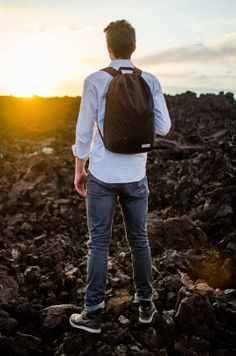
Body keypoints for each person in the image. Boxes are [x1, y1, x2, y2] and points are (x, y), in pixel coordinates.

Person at [69, 19, 171, 334]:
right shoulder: (150, 80)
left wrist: (79, 168)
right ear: (134, 46)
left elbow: (84, 131)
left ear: (108, 47)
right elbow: (163, 127)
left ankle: (93, 315)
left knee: (98, 243)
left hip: (101, 173)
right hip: (136, 176)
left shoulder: (95, 80)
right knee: (139, 240)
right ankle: (145, 306)